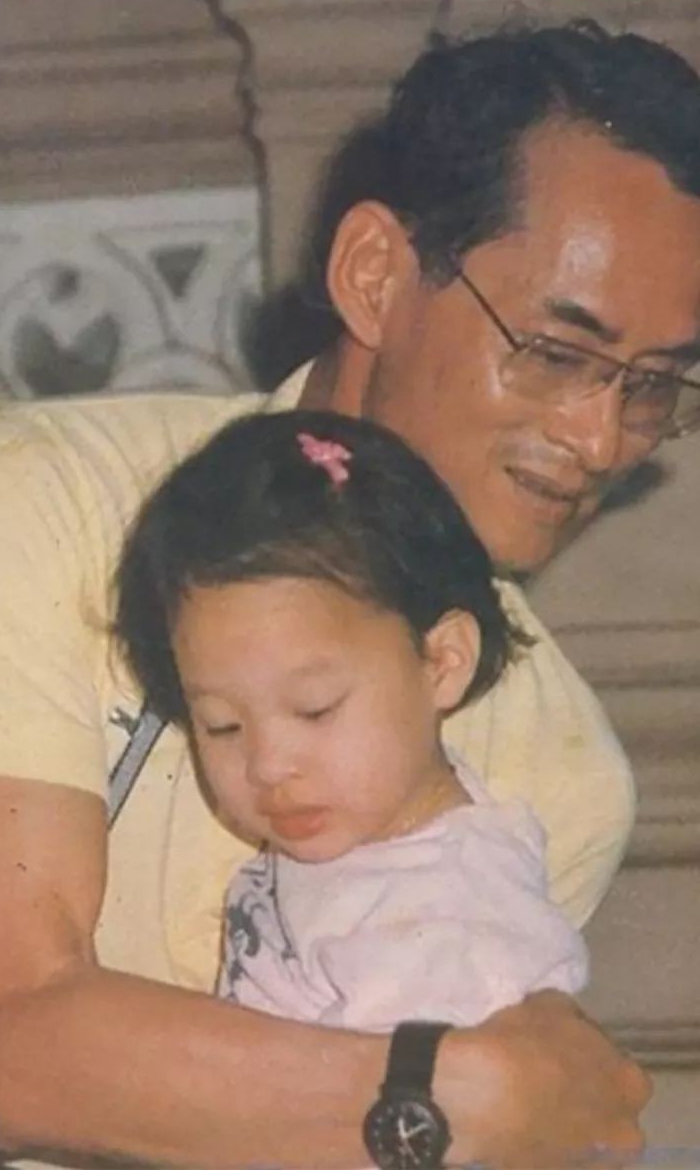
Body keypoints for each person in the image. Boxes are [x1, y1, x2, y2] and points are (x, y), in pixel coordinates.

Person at [0, 18, 700, 1170]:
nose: (597, 437)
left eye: (651, 387)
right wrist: (440, 1090)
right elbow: (13, 1049)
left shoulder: (553, 762)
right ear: (374, 276)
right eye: (557, 353)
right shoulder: (49, 496)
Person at [114, 409, 590, 1038]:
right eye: (222, 725)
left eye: (315, 709)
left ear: (443, 662)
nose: (268, 765)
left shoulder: (454, 926)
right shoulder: (369, 847)